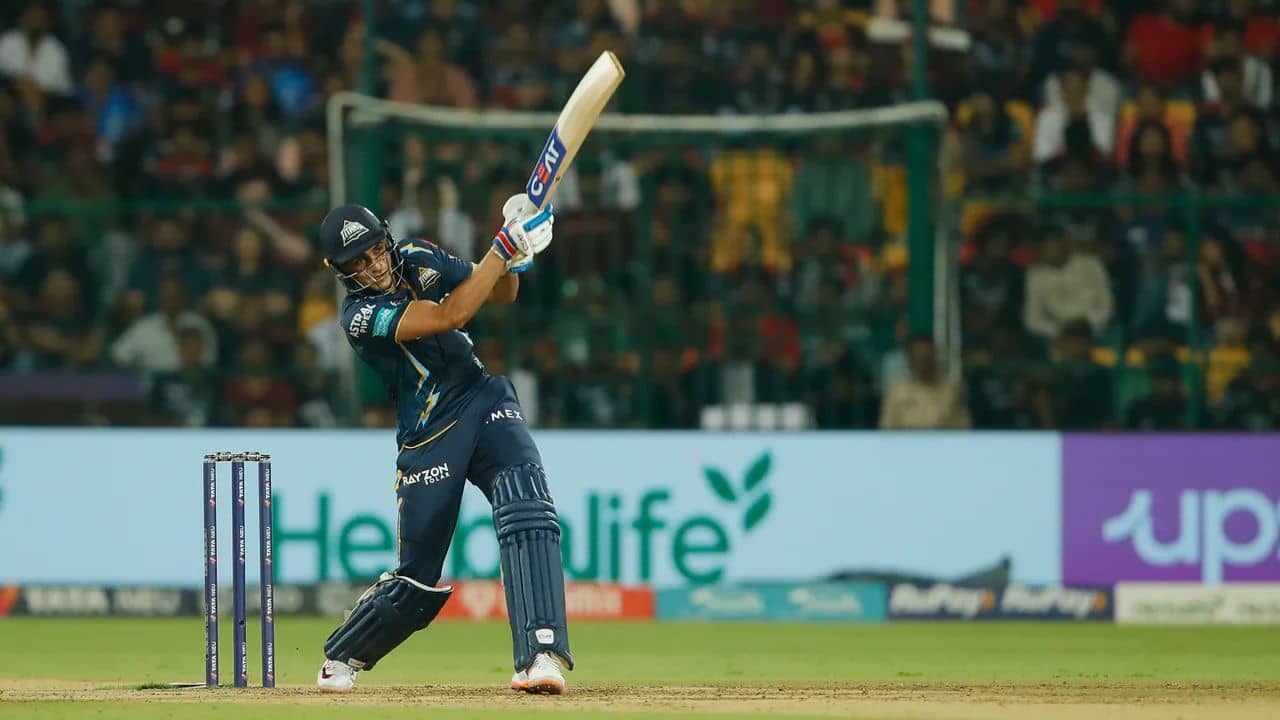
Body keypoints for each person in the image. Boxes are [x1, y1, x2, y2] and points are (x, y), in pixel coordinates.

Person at [313, 195, 573, 694]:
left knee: (528, 508)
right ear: (340, 272)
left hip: (482, 396)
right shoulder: (359, 316)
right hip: (430, 435)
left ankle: (540, 654)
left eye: (376, 251)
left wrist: (514, 257)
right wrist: (501, 248)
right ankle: (344, 652)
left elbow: (499, 292)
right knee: (417, 579)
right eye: (358, 263)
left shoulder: (417, 254)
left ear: (387, 239)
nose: (374, 266)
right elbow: (450, 315)